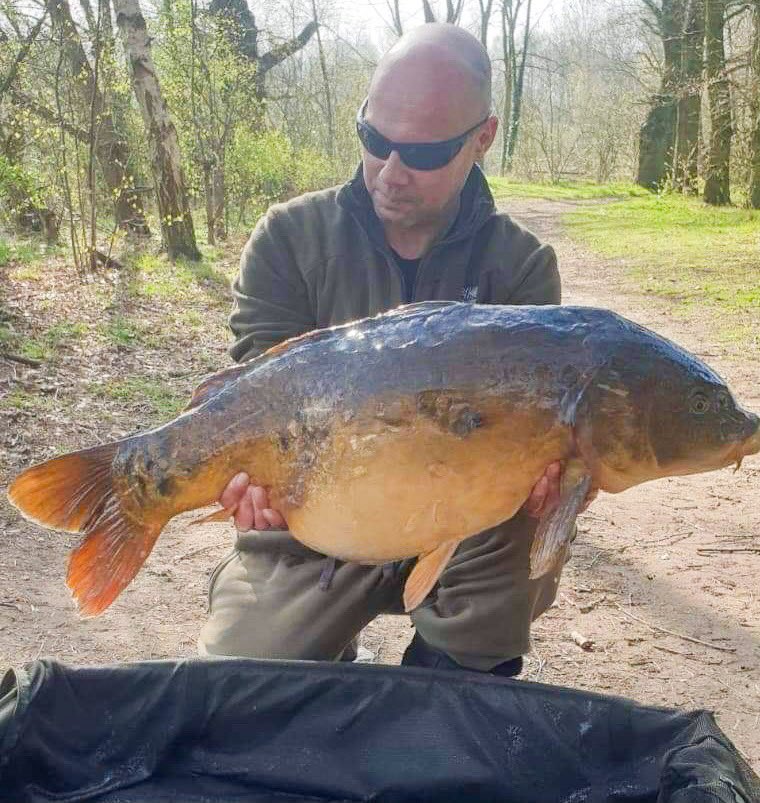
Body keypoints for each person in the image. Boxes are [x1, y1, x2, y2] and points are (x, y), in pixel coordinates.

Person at [198, 23, 567, 677]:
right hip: (318, 519)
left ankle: (450, 680)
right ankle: (319, 647)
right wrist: (251, 483)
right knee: (244, 675)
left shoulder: (522, 268)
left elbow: (544, 437)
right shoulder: (288, 239)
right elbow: (255, 400)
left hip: (465, 525)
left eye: (423, 154)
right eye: (375, 140)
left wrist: (556, 478)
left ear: (482, 137)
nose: (390, 172)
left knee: (513, 537)